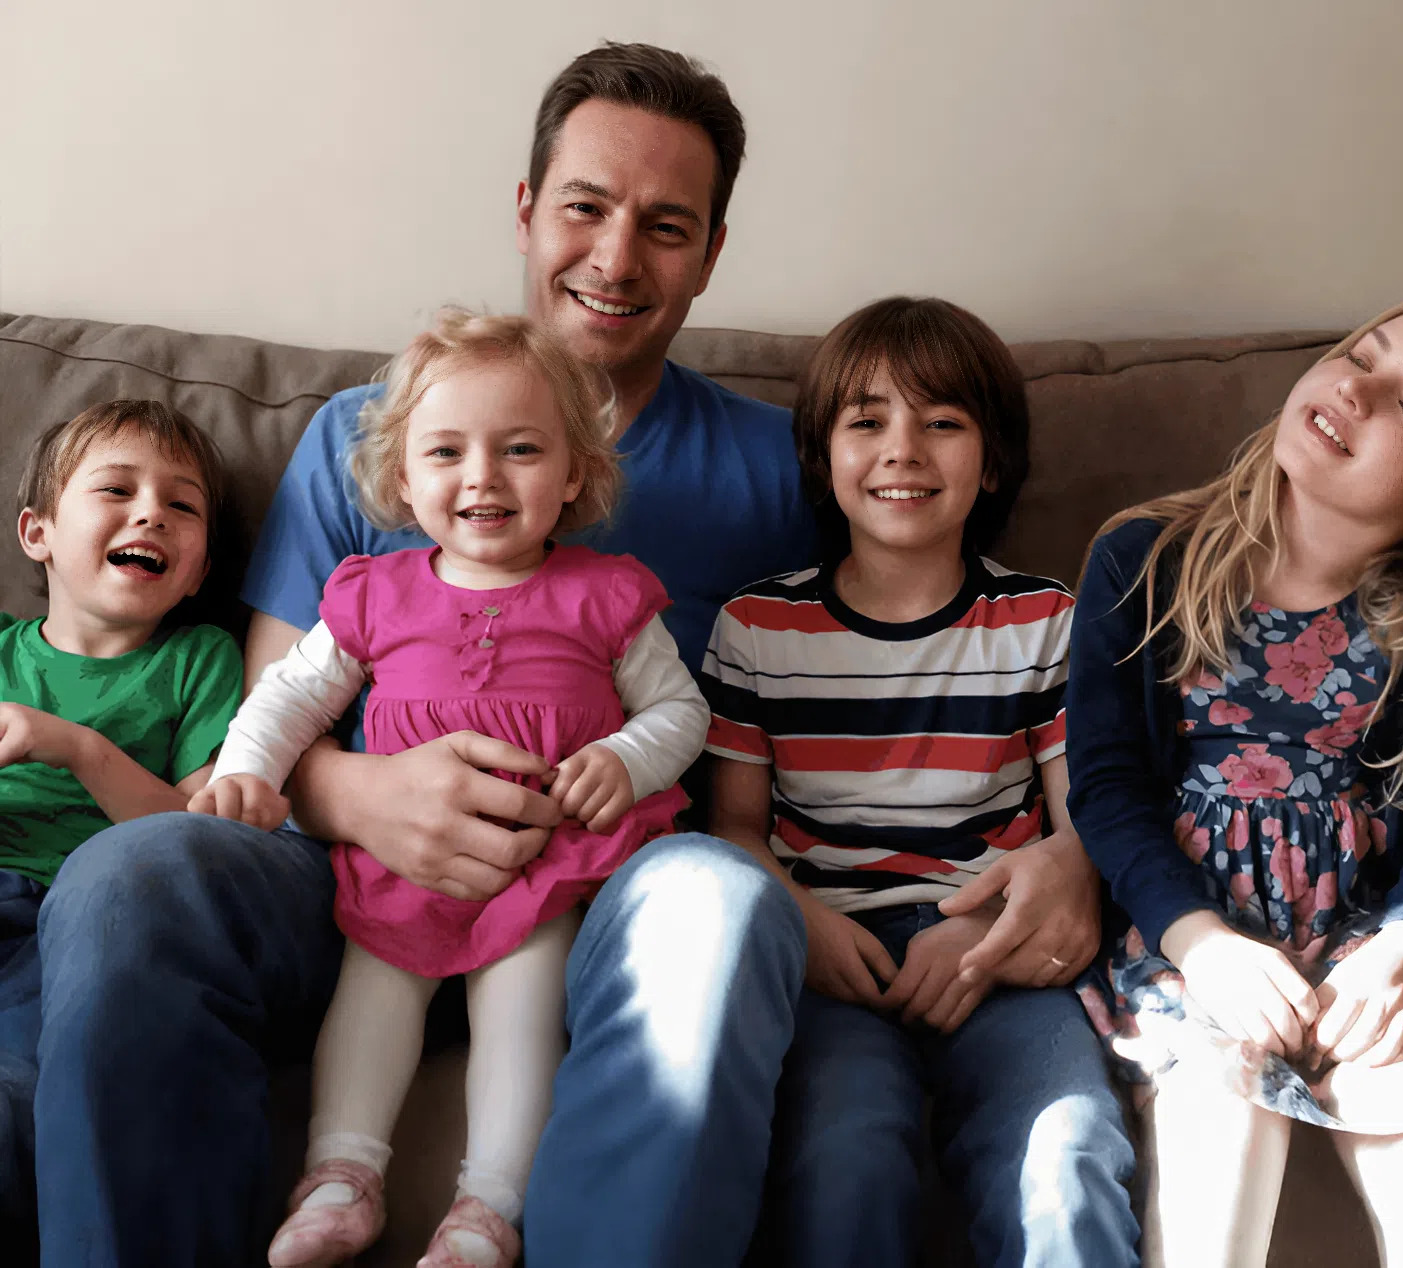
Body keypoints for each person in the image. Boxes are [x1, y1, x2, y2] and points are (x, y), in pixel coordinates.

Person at [26, 43, 820, 1268]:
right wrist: (363, 797)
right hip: (340, 879)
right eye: (585, 207)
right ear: (526, 210)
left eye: (665, 226)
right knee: (131, 873)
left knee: (720, 903)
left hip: (601, 876)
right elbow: (276, 697)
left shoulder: (783, 465)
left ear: (711, 251)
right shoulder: (369, 434)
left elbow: (890, 663)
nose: (616, 258)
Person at [193, 311, 710, 1268]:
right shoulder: (373, 593)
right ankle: (340, 1180)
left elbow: (682, 712)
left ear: (574, 474)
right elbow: (291, 696)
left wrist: (625, 760)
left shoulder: (606, 595)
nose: (483, 476)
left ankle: (488, 1209)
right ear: (401, 478)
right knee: (372, 991)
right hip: (401, 859)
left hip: (543, 858)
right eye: (446, 451)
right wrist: (245, 773)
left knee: (524, 1000)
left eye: (521, 449)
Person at [1065, 290, 1403, 1267]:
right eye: (1363, 354)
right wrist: (1202, 944)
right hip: (1190, 939)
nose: (1357, 388)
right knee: (1217, 1164)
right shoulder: (1142, 561)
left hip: (1371, 943)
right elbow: (1104, 785)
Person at [703, 297, 1141, 1267]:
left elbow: (1084, 826)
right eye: (867, 422)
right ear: (822, 457)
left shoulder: (1043, 620)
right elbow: (733, 826)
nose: (902, 449)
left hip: (998, 952)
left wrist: (991, 937)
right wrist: (804, 928)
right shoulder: (756, 628)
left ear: (992, 462)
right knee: (845, 1156)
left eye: (941, 422)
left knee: (1068, 1151)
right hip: (832, 962)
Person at [0, 402, 241, 1258]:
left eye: (182, 505)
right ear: (37, 533)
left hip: (64, 928)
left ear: (199, 568)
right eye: (116, 490)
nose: (150, 515)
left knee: (15, 1095)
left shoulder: (198, 659)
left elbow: (192, 833)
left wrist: (73, 746)